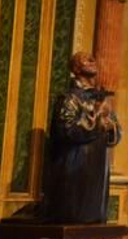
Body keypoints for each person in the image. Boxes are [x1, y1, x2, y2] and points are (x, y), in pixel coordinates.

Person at [38, 52, 121, 223]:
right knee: (76, 213)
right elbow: (66, 130)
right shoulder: (70, 98)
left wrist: (110, 126)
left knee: (94, 214)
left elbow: (115, 133)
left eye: (93, 58)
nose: (92, 60)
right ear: (75, 69)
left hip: (97, 165)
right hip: (76, 163)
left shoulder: (101, 100)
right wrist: (98, 122)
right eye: (85, 59)